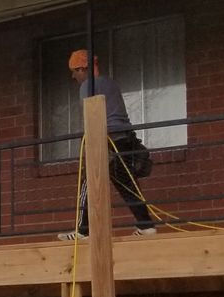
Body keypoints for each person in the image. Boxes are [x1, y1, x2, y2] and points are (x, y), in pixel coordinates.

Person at [58, 49, 156, 240]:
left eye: (74, 71)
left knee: (88, 182)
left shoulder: (88, 86)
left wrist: (90, 142)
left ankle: (83, 231)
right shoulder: (111, 83)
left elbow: (91, 117)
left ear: (82, 69)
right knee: (126, 184)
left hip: (106, 139)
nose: (73, 76)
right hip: (125, 139)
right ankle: (146, 226)